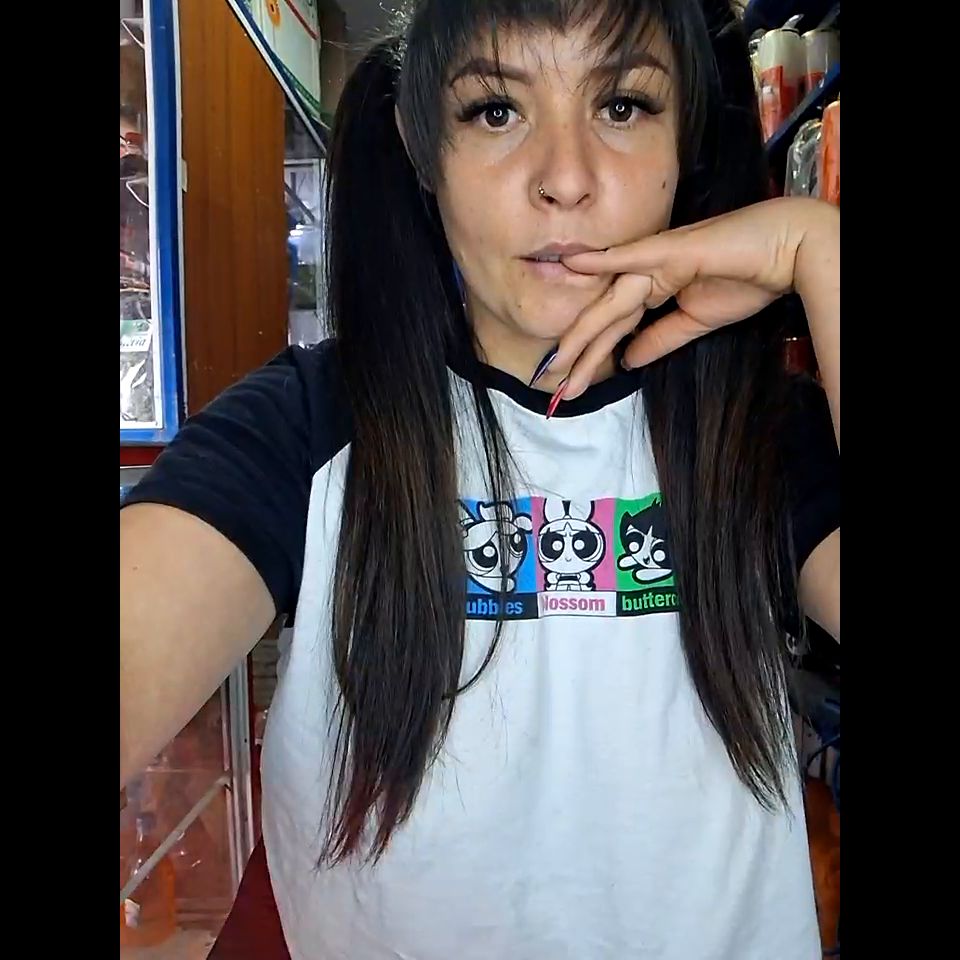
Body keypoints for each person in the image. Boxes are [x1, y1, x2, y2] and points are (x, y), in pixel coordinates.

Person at [120, 1, 840, 957]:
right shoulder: (308, 427)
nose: (566, 180)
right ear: (425, 152)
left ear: (687, 145)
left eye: (622, 106)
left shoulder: (761, 436)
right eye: (497, 111)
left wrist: (821, 255)